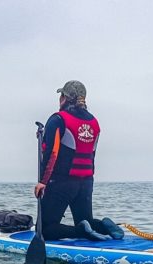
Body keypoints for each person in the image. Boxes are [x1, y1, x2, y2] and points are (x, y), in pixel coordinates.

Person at [34, 80, 124, 241]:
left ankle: (80, 231)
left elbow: (52, 153)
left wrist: (42, 182)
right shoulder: (94, 122)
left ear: (64, 98)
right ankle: (103, 226)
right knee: (86, 220)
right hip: (86, 182)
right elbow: (90, 153)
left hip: (62, 182)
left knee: (45, 229)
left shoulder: (58, 119)